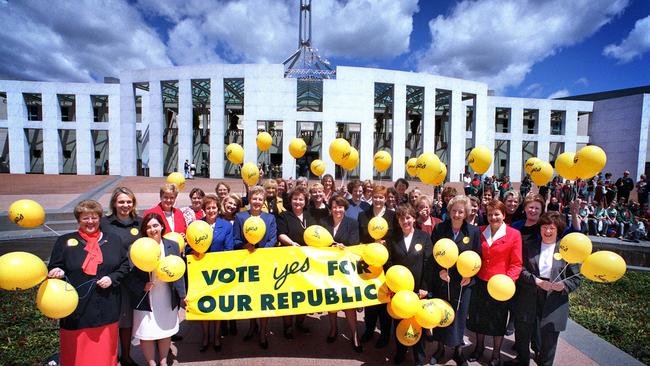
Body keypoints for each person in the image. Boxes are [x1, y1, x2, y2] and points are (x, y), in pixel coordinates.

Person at [48, 200, 129, 366]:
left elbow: (124, 265)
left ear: (100, 219)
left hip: (107, 307)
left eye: (94, 217)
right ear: (78, 219)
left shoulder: (113, 240)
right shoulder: (65, 241)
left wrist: (112, 278)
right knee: (77, 357)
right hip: (76, 311)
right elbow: (54, 266)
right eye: (85, 218)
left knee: (104, 356)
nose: (90, 222)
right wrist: (57, 272)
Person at [504, 212, 581, 366]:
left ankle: (545, 363)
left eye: (551, 228)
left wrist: (564, 286)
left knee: (549, 336)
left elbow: (576, 277)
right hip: (530, 292)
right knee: (523, 329)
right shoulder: (529, 246)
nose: (547, 231)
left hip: (554, 297)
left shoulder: (566, 250)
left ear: (558, 229)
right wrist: (536, 281)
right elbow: (521, 269)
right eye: (544, 227)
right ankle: (522, 359)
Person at [467, 200, 522, 366]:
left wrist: (508, 281)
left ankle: (496, 353)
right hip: (480, 282)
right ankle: (479, 347)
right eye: (490, 214)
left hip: (500, 286)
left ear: (504, 215)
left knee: (498, 320)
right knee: (479, 317)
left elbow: (517, 263)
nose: (493, 217)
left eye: (497, 214)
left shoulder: (514, 234)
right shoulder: (480, 231)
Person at [127, 213, 186, 366]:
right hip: (146, 296)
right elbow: (129, 275)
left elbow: (178, 272)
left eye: (155, 225)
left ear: (162, 226)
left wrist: (182, 294)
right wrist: (142, 286)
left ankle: (163, 361)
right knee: (146, 332)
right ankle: (152, 363)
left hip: (166, 294)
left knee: (165, 329)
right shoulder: (137, 247)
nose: (152, 229)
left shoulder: (172, 245)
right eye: (148, 227)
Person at [429, 195, 481, 366]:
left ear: (466, 213)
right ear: (449, 211)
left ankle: (458, 351)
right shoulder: (439, 229)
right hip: (443, 280)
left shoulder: (473, 232)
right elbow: (432, 255)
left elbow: (477, 257)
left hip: (463, 283)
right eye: (454, 211)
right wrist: (440, 271)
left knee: (459, 316)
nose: (457, 214)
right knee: (442, 314)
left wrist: (470, 275)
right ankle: (440, 348)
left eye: (461, 211)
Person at [100, 187, 142, 366]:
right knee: (108, 318)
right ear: (114, 204)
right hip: (109, 277)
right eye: (121, 201)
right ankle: (108, 356)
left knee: (127, 321)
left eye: (128, 201)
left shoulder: (140, 222)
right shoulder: (104, 223)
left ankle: (125, 355)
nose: (125, 205)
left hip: (134, 278)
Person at [232, 185, 277, 348]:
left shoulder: (269, 218)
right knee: (251, 297)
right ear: (249, 200)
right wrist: (245, 246)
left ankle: (264, 331)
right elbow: (235, 239)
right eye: (254, 198)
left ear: (263, 201)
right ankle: (252, 326)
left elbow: (273, 239)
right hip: (247, 263)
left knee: (264, 299)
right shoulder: (240, 217)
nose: (257, 201)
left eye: (260, 199)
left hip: (264, 263)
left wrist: (262, 252)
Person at [389, 203, 434, 366]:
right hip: (399, 291)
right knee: (399, 322)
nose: (405, 221)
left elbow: (429, 264)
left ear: (414, 218)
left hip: (418, 290)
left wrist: (425, 287)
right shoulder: (393, 237)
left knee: (418, 323)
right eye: (402, 218)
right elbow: (389, 262)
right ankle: (400, 352)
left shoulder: (424, 237)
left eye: (408, 217)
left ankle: (419, 357)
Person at [320, 195, 363, 353]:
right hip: (328, 269)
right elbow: (318, 243)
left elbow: (354, 243)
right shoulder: (324, 223)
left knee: (349, 303)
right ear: (330, 209)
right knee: (331, 302)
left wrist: (344, 247)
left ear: (345, 208)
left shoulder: (352, 223)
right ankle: (333, 329)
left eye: (340, 207)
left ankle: (354, 335)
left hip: (345, 270)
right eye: (334, 207)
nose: (337, 210)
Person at [359, 185, 398, 347]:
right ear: (371, 196)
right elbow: (360, 238)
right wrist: (372, 242)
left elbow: (396, 239)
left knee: (385, 299)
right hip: (369, 263)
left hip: (387, 264)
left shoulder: (392, 216)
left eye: (381, 197)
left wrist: (384, 242)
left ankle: (384, 334)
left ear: (386, 198)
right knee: (370, 299)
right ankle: (368, 330)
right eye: (375, 196)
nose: (378, 200)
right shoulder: (363, 215)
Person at [277, 187, 318, 338]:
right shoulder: (284, 216)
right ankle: (287, 326)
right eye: (295, 199)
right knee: (289, 294)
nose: (297, 202)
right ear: (290, 200)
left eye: (301, 199)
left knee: (305, 293)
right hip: (289, 260)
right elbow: (280, 234)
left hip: (307, 261)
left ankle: (300, 322)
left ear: (305, 201)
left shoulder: (310, 216)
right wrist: (292, 243)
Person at [198, 194, 234, 352]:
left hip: (219, 272)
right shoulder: (197, 225)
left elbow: (229, 249)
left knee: (218, 305)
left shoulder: (226, 226)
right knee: (205, 305)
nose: (211, 210)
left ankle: (217, 335)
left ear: (218, 209)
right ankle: (206, 336)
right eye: (208, 208)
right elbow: (188, 247)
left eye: (213, 207)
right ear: (204, 210)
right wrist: (195, 251)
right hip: (201, 272)